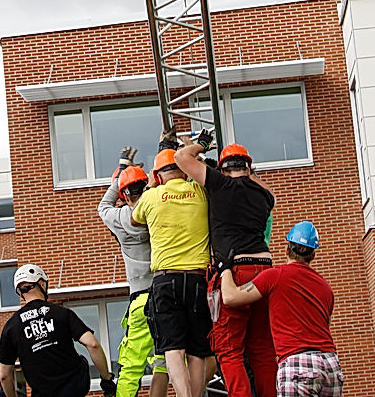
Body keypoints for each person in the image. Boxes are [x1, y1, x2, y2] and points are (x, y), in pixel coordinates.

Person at [175, 139, 277, 397]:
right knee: (262, 348)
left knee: (229, 349)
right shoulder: (263, 195)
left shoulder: (220, 184)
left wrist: (199, 146)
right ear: (248, 167)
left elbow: (181, 158)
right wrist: (249, 174)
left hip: (234, 271)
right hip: (264, 268)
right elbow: (271, 193)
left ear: (222, 169)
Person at [220, 222, 344, 397]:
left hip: (298, 364)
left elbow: (230, 297)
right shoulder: (326, 288)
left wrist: (225, 269)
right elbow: (325, 326)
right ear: (313, 255)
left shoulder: (275, 276)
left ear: (287, 249)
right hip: (330, 364)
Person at [130, 147, 211, 397]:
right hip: (198, 278)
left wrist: (152, 186)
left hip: (166, 278)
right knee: (198, 351)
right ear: (184, 171)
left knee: (173, 348)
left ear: (158, 175)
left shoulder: (151, 197)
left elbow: (134, 219)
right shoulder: (200, 191)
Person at [97, 147, 169, 397]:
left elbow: (104, 204)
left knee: (131, 366)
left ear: (125, 195)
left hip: (140, 299)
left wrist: (122, 168)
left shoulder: (118, 218)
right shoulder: (157, 208)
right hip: (165, 293)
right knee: (165, 361)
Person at [0, 263, 117, 397]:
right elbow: (92, 344)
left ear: (20, 292)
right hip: (74, 388)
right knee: (81, 360)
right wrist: (106, 379)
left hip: (42, 394)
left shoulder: (11, 327)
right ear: (41, 284)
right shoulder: (61, 313)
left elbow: (4, 375)